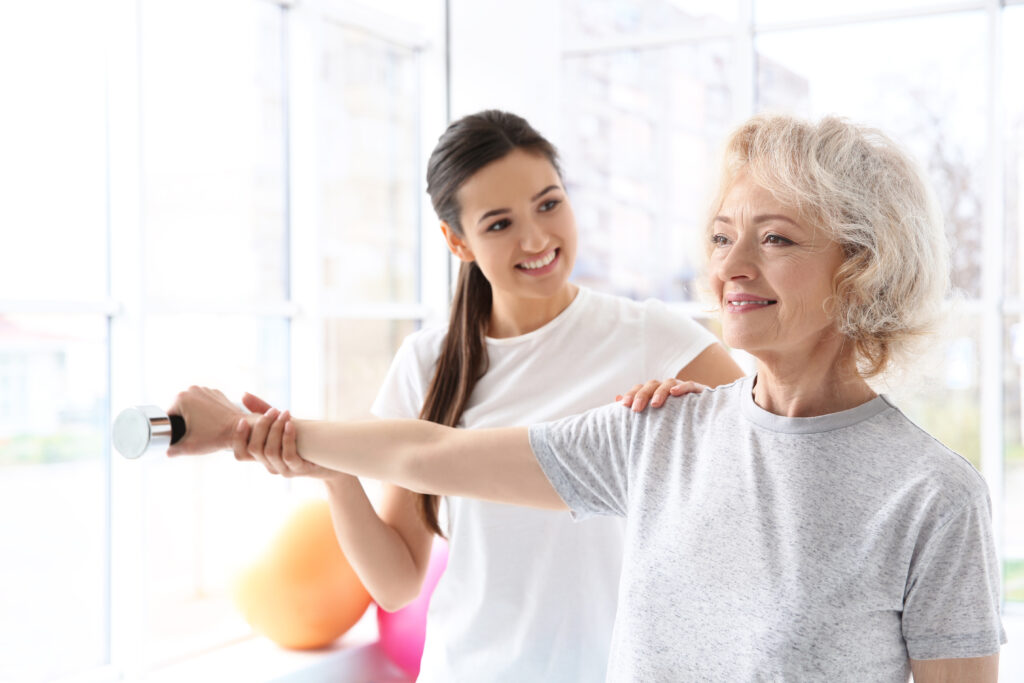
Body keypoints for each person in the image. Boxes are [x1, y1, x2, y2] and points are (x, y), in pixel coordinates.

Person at [172, 113, 1006, 681]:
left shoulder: (932, 495)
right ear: (458, 241)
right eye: (721, 237)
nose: (729, 266)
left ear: (862, 268)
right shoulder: (657, 431)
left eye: (776, 238)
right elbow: (429, 454)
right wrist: (257, 433)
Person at [183, 110, 742, 681]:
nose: (536, 238)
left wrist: (697, 418)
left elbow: (764, 450)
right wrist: (336, 476)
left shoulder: (652, 339)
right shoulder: (425, 363)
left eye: (549, 204)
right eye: (499, 224)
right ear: (457, 240)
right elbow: (398, 585)